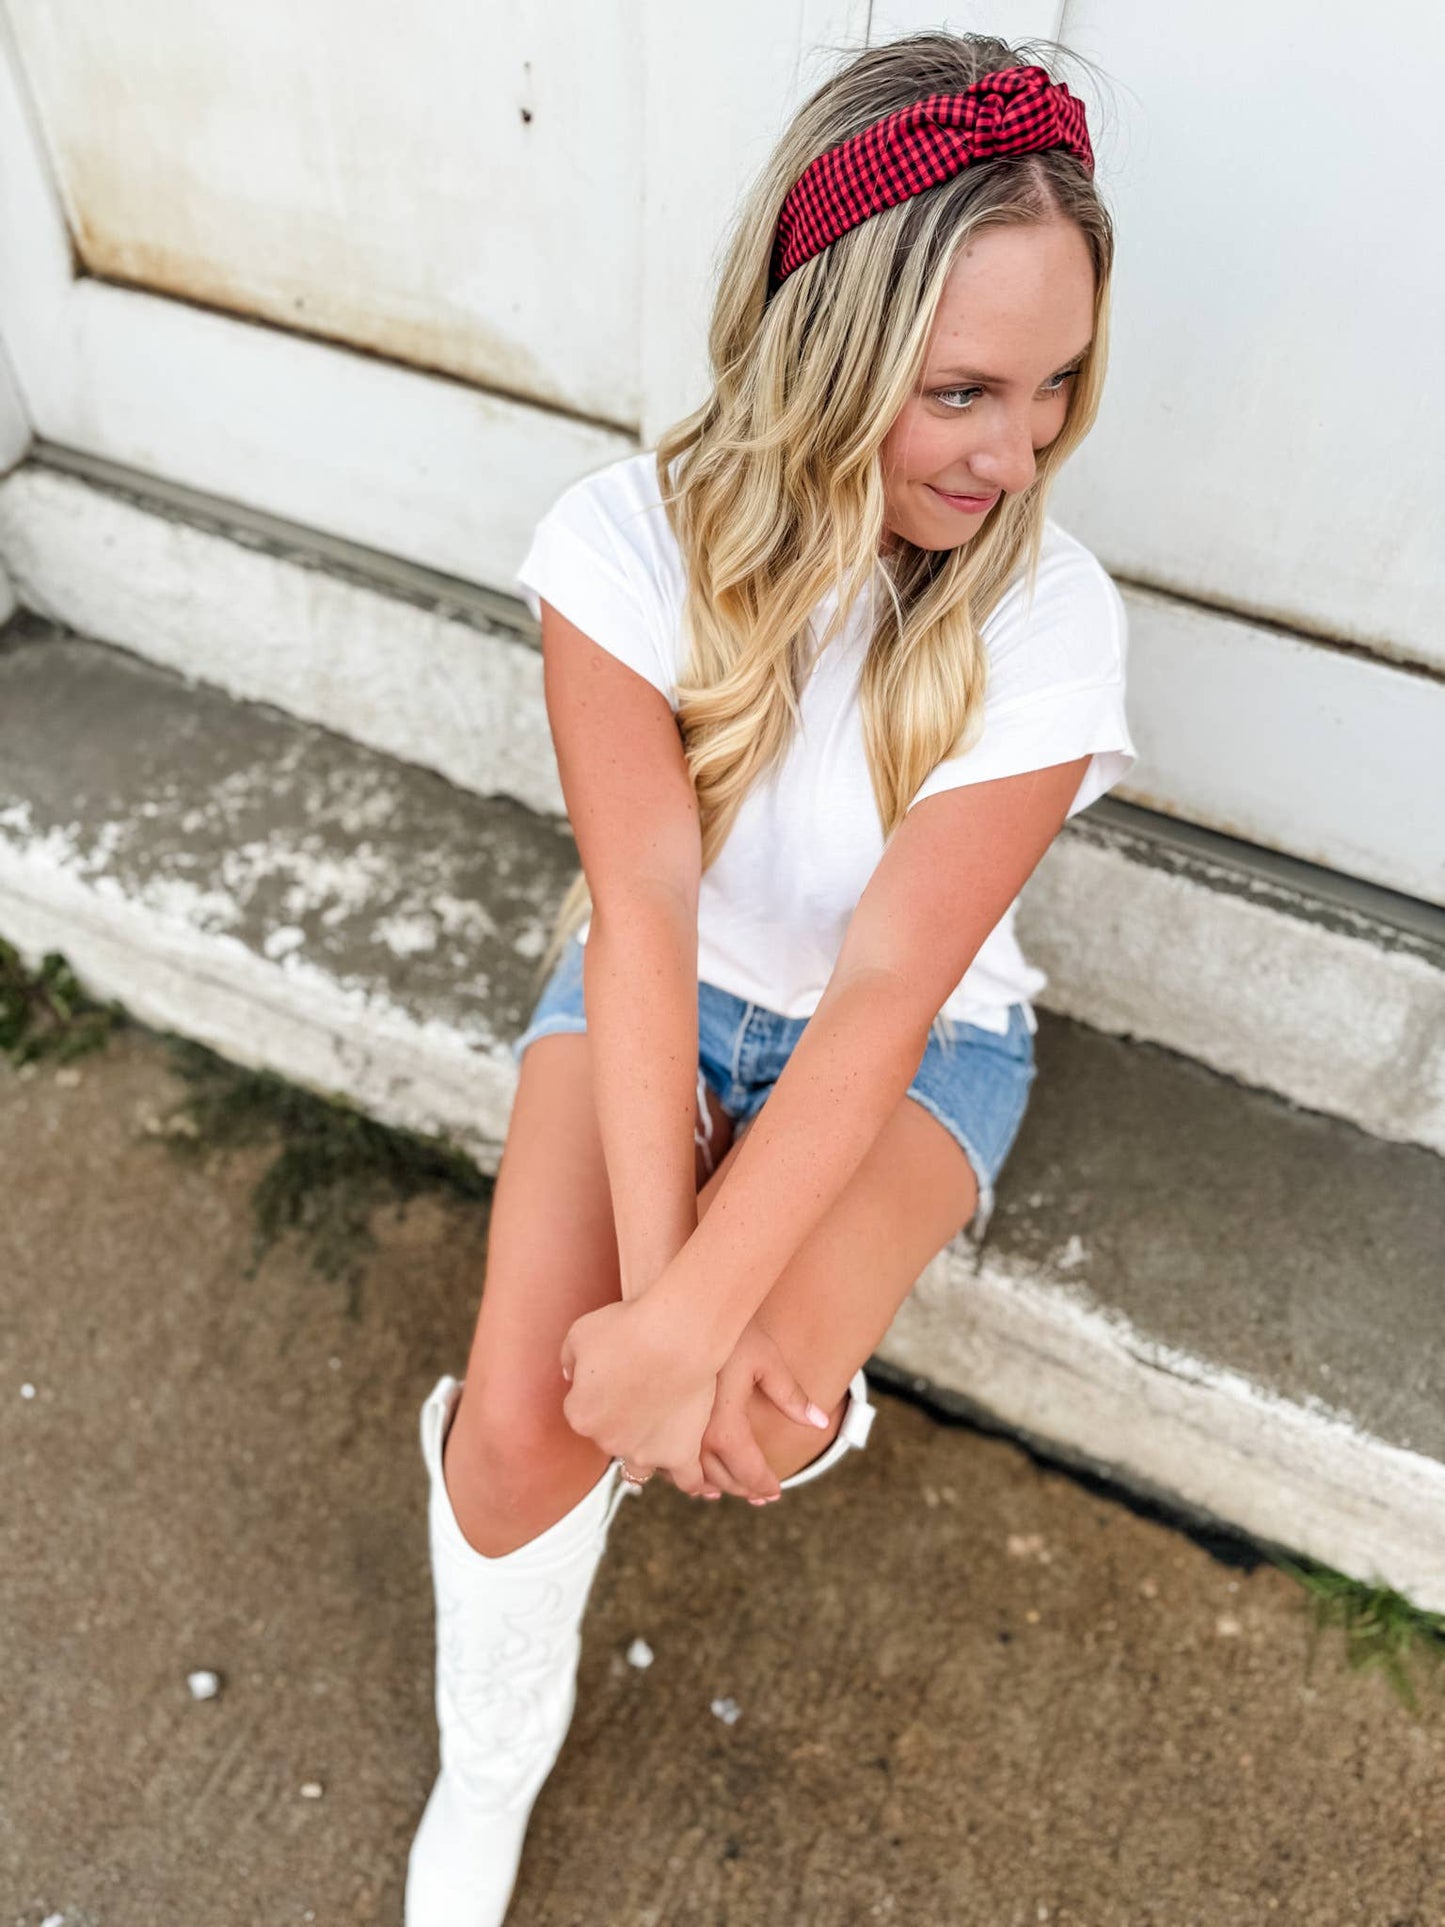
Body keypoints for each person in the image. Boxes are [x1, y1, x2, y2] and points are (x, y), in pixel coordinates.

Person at [405, 28, 1136, 1924]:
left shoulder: (1051, 621)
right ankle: (491, 1760)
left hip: (918, 1050)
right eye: (960, 390)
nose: (1016, 452)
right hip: (656, 991)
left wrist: (696, 1339)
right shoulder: (617, 545)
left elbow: (891, 983)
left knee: (753, 1415)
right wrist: (660, 1306)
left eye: (1053, 386)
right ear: (826, 346)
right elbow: (643, 903)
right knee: (522, 1436)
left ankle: (733, 1365)